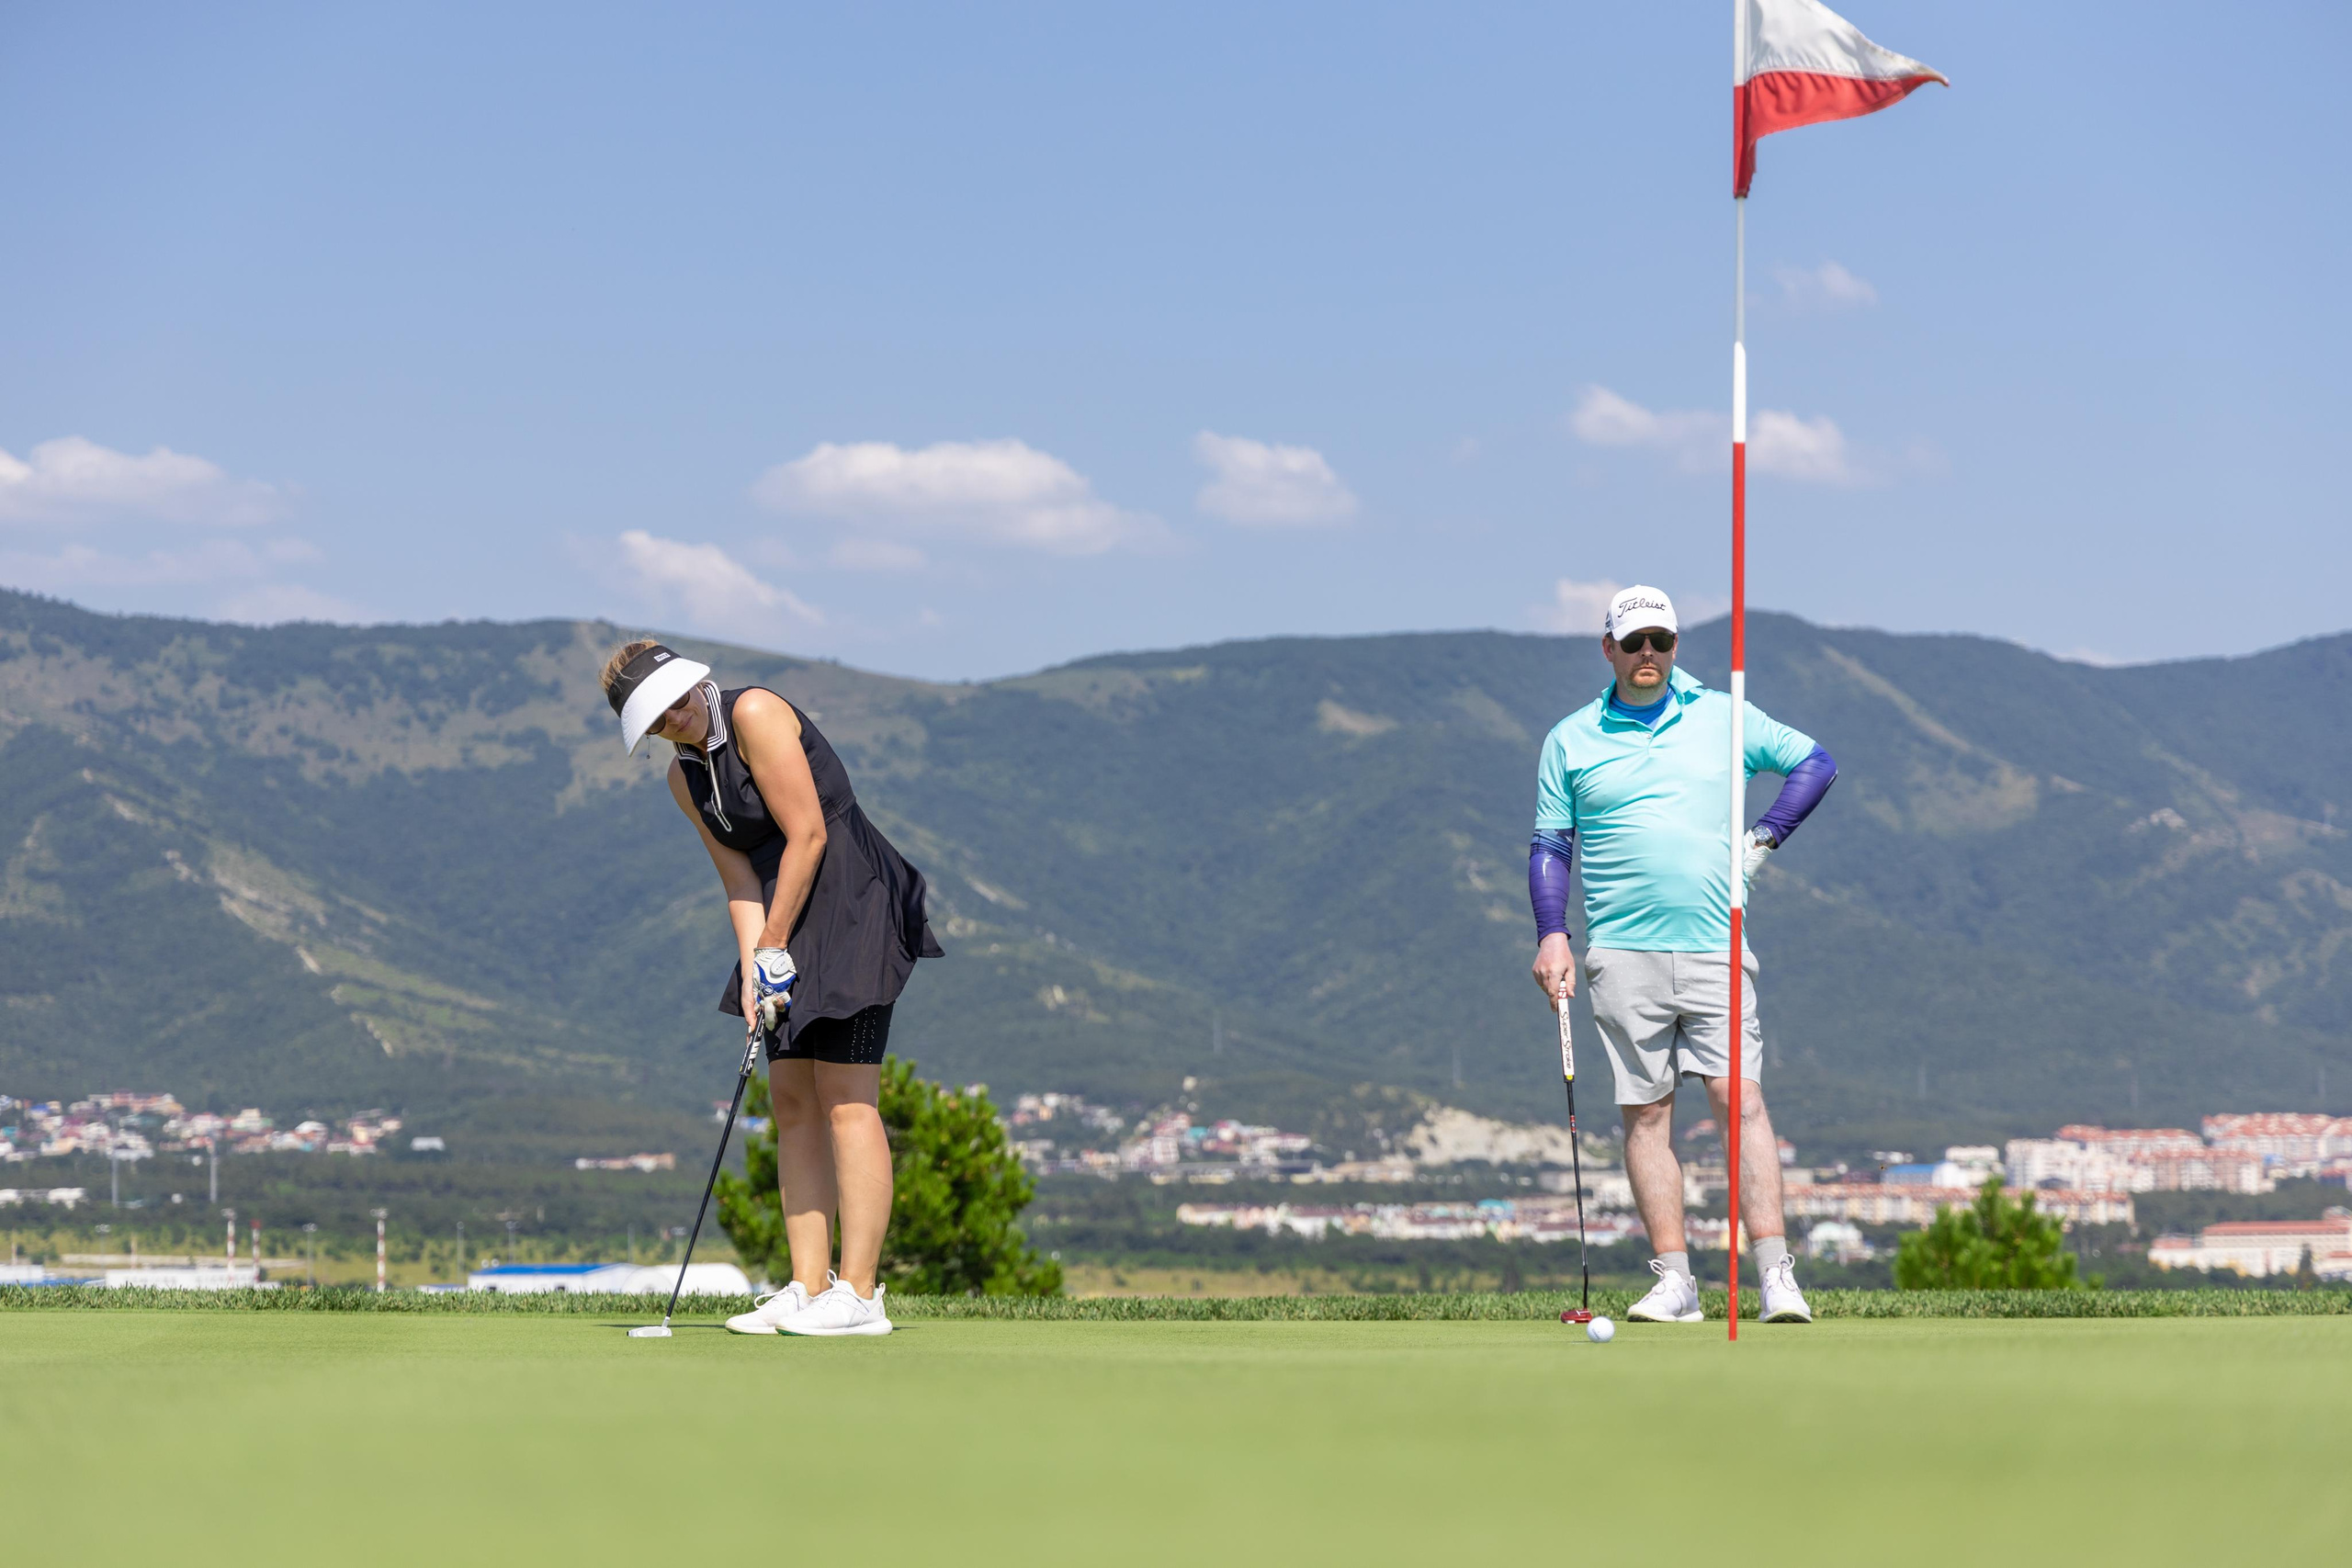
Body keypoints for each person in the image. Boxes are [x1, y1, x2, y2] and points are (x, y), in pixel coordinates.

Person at [602, 638, 944, 1337]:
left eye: (676, 702)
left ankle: (860, 1294)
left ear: (694, 683)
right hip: (781, 922)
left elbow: (810, 834)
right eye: (658, 719)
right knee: (791, 1102)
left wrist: (773, 943)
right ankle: (807, 1283)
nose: (675, 719)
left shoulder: (755, 711)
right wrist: (755, 974)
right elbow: (738, 881)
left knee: (848, 1101)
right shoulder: (684, 780)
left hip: (851, 902)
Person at [1527, 586, 1838, 1325]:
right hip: (1620, 948)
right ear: (1608, 648)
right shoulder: (1570, 737)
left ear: (1675, 647)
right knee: (1646, 1113)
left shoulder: (1724, 717)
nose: (1647, 655)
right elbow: (1550, 844)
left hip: (1713, 943)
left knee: (1741, 1100)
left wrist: (1762, 840)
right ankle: (1676, 1281)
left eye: (1660, 642)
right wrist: (1551, 930)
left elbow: (1815, 764)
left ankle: (1774, 1276)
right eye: (1633, 643)